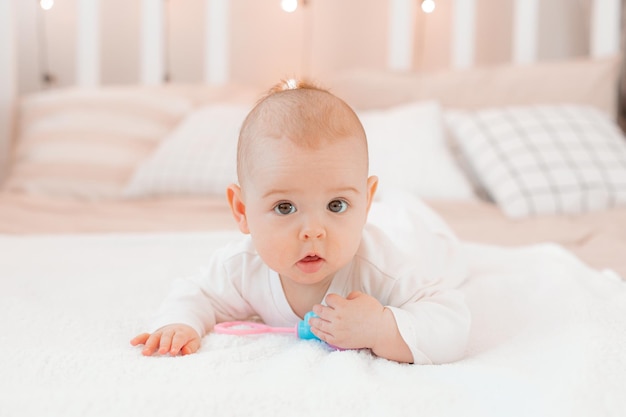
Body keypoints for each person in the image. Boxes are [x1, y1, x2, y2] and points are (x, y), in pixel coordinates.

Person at [131, 79, 470, 364]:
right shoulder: (243, 269)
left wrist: (382, 328)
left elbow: (451, 321)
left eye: (336, 204)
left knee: (434, 239)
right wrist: (179, 322)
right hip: (382, 216)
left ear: (364, 203)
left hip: (421, 233)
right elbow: (197, 293)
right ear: (241, 210)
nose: (312, 230)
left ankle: (396, 203)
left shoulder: (386, 265)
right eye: (284, 207)